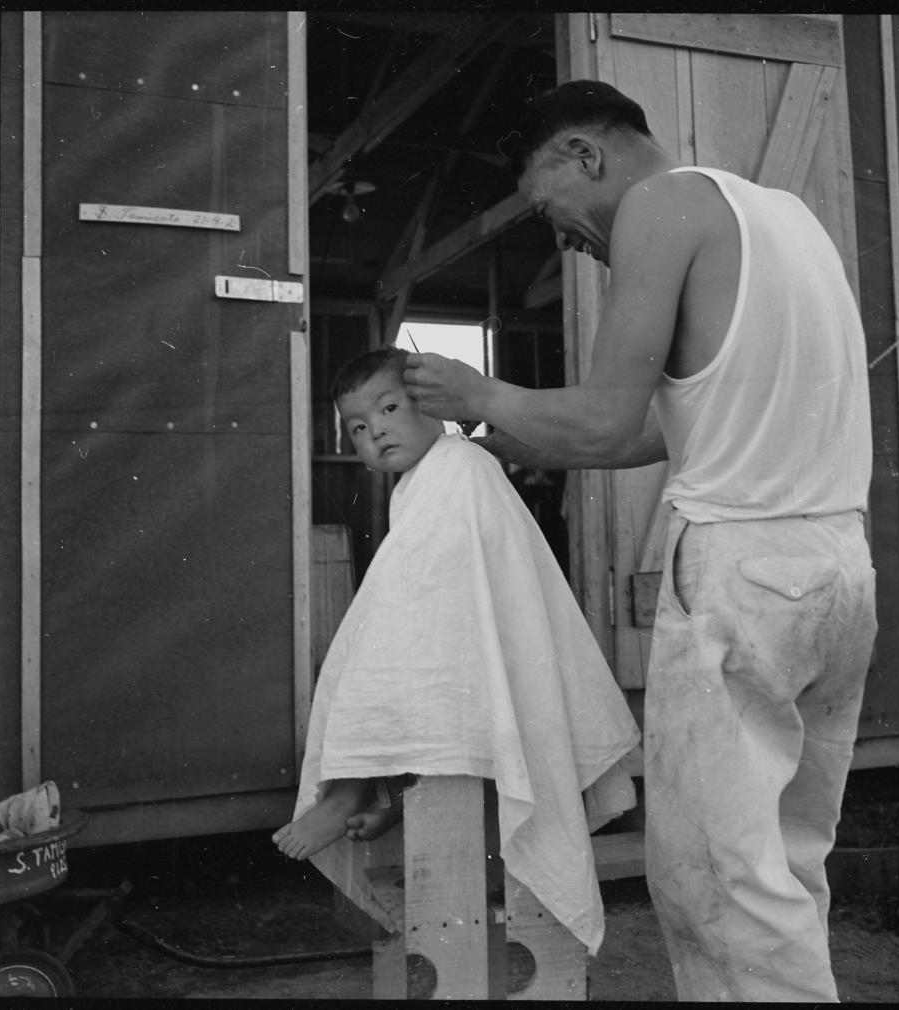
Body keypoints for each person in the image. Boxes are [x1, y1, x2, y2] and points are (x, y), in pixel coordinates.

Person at [403, 80, 877, 1002]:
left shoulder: (662, 204)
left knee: (715, 884)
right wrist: (519, 436)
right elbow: (651, 432)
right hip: (837, 572)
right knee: (785, 861)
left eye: (550, 205)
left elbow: (606, 415)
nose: (564, 237)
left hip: (744, 574)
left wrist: (476, 394)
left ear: (586, 153)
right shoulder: (784, 218)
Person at [274, 345, 640, 956]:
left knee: (384, 654)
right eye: (358, 429)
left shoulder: (458, 468)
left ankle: (350, 789)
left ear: (432, 408)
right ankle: (388, 792)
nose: (377, 431)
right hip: (468, 668)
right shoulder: (423, 481)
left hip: (473, 657)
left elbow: (426, 608)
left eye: (389, 409)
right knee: (410, 662)